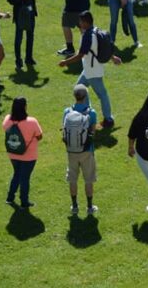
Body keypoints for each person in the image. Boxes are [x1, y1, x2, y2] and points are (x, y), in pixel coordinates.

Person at [58, 12, 122, 128]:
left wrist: (65, 62)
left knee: (102, 94)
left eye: (81, 21)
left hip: (92, 71)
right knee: (79, 87)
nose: (79, 23)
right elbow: (100, 47)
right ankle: (86, 112)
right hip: (91, 69)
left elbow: (80, 55)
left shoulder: (88, 36)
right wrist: (113, 58)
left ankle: (108, 119)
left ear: (86, 22)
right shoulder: (95, 30)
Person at [62, 84, 99, 215]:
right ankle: (89, 207)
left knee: (73, 179)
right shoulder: (91, 113)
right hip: (87, 151)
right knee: (88, 179)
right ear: (86, 96)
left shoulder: (67, 112)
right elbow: (93, 132)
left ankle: (74, 206)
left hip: (71, 151)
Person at [4, 96, 42, 207]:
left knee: (16, 174)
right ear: (25, 107)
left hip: (13, 153)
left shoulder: (7, 120)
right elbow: (39, 136)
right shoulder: (32, 122)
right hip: (29, 156)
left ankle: (10, 197)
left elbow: (5, 128)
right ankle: (24, 201)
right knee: (25, 178)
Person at [8, 0, 46, 71]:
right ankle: (18, 61)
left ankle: (28, 58)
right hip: (19, 14)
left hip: (30, 14)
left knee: (30, 36)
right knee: (19, 38)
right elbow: (11, 0)